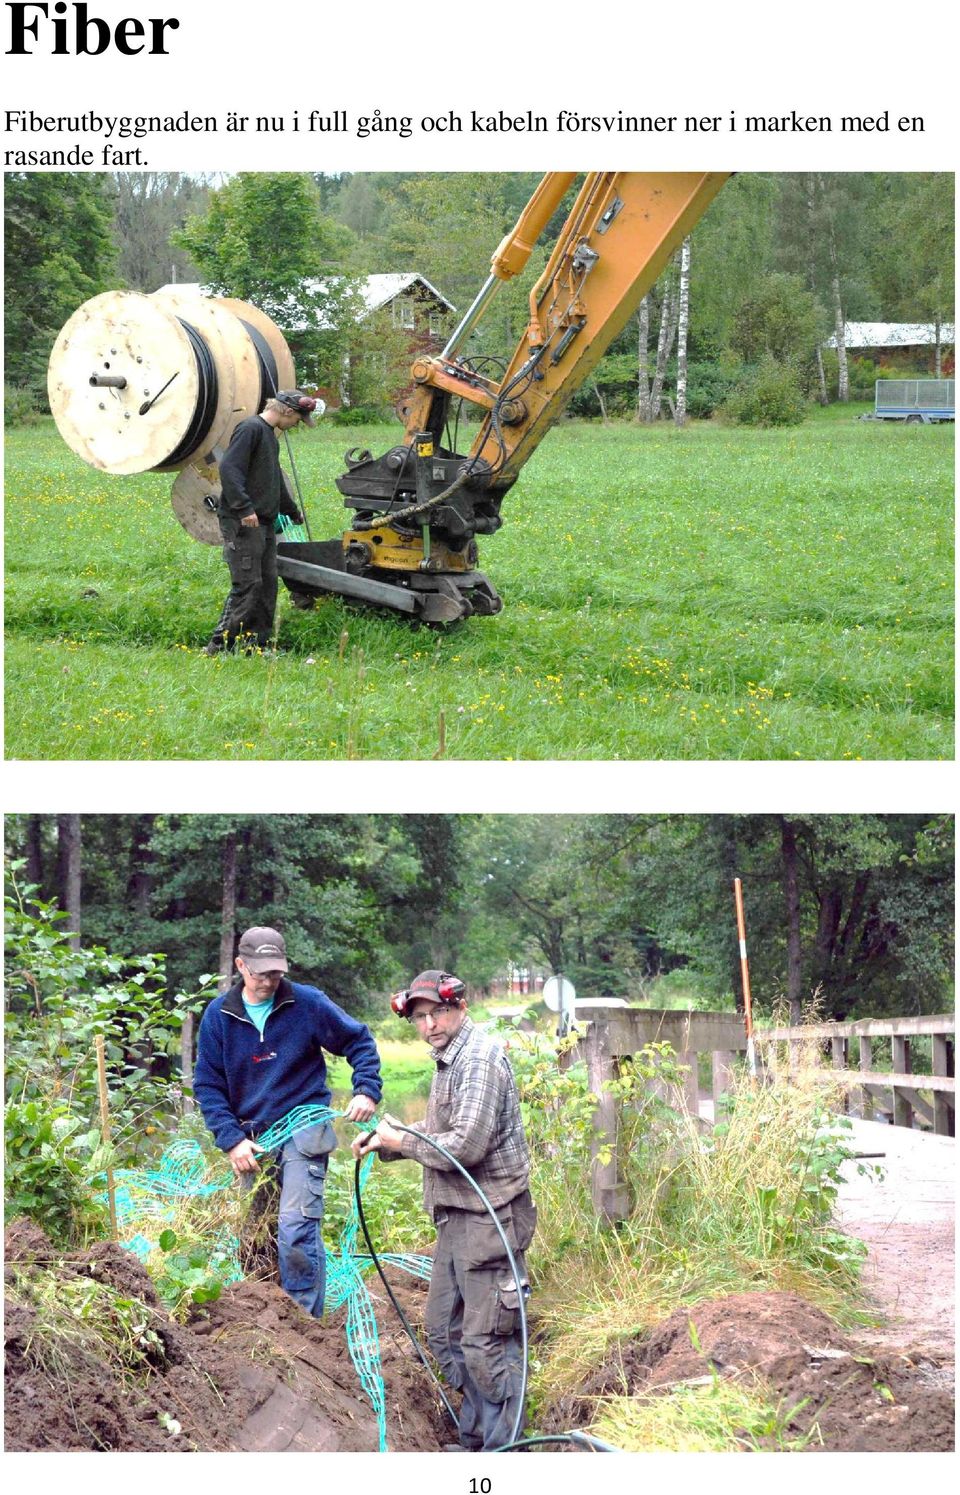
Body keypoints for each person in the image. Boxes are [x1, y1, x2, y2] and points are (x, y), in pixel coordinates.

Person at [352, 970, 535, 1452]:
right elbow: (440, 1129)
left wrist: (401, 1140)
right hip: (456, 1216)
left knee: (486, 1339)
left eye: (439, 1013)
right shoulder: (447, 1058)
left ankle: (505, 1450)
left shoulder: (479, 1059)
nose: (430, 1024)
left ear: (460, 1008)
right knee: (444, 1332)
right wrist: (385, 1142)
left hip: (491, 1217)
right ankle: (474, 1439)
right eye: (420, 1017)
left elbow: (466, 1146)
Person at [194, 925, 381, 1318]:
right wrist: (231, 1140)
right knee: (256, 1234)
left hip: (303, 1129)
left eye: (275, 972)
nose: (268, 981)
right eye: (260, 972)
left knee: (296, 1227)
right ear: (240, 965)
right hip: (252, 1138)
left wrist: (365, 1089)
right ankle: (264, 1318)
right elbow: (208, 1085)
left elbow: (359, 1041)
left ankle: (303, 1325)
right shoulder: (219, 1017)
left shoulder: (308, 1004)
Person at [204, 390, 323, 655]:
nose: (295, 426)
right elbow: (229, 469)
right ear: (287, 411)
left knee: (268, 583)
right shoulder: (250, 429)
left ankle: (255, 644)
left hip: (265, 522)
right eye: (297, 420)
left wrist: (291, 510)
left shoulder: (269, 435)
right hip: (243, 522)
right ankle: (219, 644)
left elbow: (273, 478)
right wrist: (244, 508)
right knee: (248, 584)